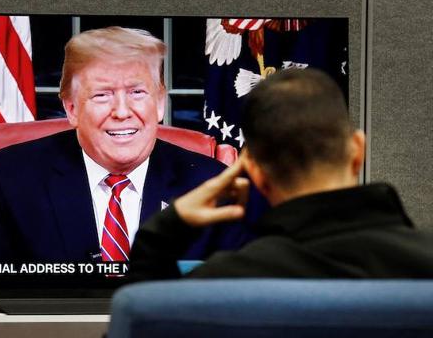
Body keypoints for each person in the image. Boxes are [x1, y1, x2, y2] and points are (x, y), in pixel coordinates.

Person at [0, 27, 254, 262]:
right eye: (102, 95)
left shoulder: (212, 183)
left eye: (137, 92)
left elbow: (239, 295)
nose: (122, 111)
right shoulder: (12, 178)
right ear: (72, 109)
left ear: (160, 102)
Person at [129, 68, 433, 280]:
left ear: (255, 174)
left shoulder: (219, 285)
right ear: (358, 149)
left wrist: (166, 230)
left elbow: (139, 323)